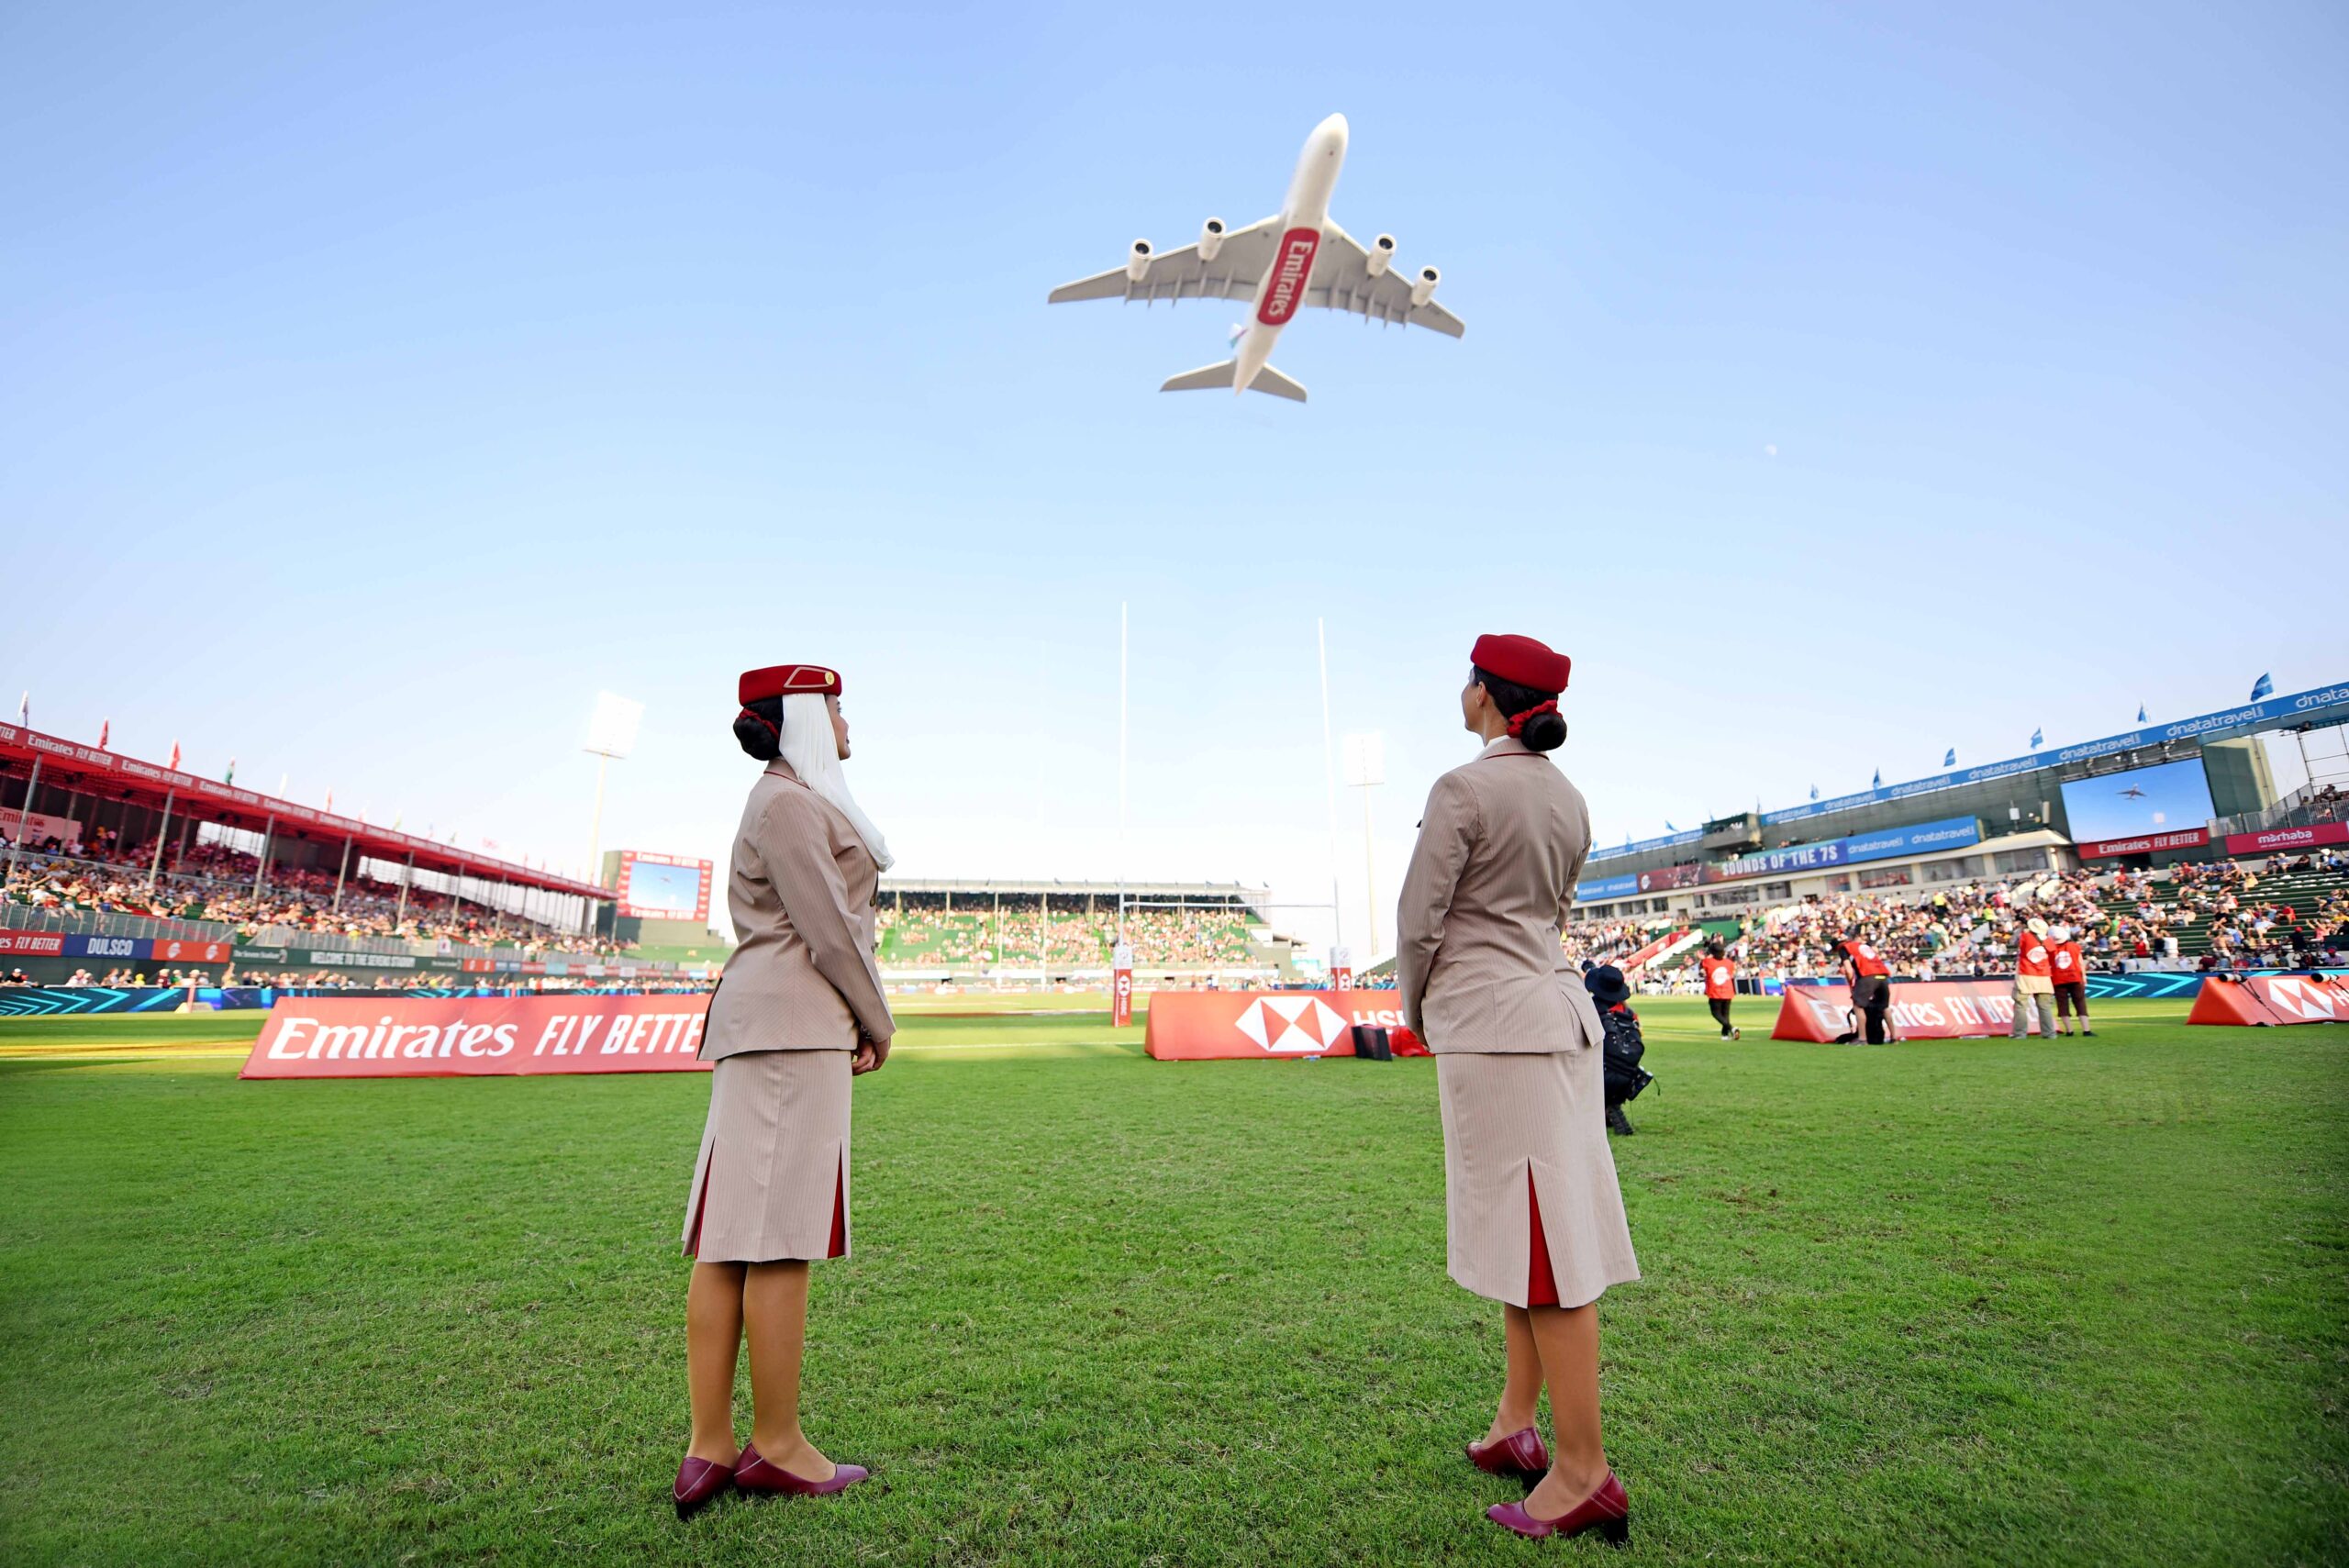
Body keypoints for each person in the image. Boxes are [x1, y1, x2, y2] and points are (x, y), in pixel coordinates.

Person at [1397, 633, 1639, 1546]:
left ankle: (1582, 1471)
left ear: (1486, 695)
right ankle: (1514, 1424)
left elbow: (1420, 918)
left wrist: (1420, 1006)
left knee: (1542, 1247)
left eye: (1467, 678)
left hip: (1495, 1029)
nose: (1459, 689)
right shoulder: (1567, 796)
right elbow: (1557, 911)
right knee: (1526, 1227)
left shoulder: (1462, 788)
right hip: (1556, 1017)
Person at [674, 662, 897, 1519]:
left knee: (731, 1237)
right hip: (794, 1026)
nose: (850, 726)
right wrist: (878, 1020)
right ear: (804, 719)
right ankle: (777, 1446)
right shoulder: (793, 804)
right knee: (777, 1239)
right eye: (838, 710)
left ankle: (711, 1446)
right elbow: (831, 931)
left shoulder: (780, 800)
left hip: (763, 1025)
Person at [1586, 963, 1653, 1135]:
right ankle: (1609, 1109)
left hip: (1601, 1074)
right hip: (1627, 1075)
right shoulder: (1627, 1013)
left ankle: (1604, 1108)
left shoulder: (1591, 1009)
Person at [1834, 929, 1895, 1043]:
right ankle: (1894, 1037)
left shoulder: (1844, 948)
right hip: (1882, 975)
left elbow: (1848, 970)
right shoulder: (1862, 946)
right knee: (1884, 1006)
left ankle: (1862, 1039)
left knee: (1858, 1006)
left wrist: (1850, 983)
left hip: (1868, 976)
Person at [2009, 915, 2058, 1040]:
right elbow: (2053, 957)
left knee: (2021, 1005)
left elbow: (2019, 945)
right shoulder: (2049, 941)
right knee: (2045, 1006)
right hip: (2044, 975)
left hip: (2026, 973)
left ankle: (2020, 1033)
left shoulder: (2025, 937)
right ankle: (2049, 1033)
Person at [2046, 923, 2092, 1037]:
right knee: (2080, 1003)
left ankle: (2069, 1030)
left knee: (2062, 1005)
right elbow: (2080, 963)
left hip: (2058, 979)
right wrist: (2084, 976)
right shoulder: (2074, 946)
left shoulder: (2050, 949)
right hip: (2075, 977)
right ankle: (2086, 1030)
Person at [1700, 940, 1740, 1039]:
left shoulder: (1707, 962)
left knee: (1716, 1013)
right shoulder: (1729, 963)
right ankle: (1725, 1035)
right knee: (1725, 1014)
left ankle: (1732, 1028)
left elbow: (1702, 970)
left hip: (1715, 991)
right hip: (1728, 991)